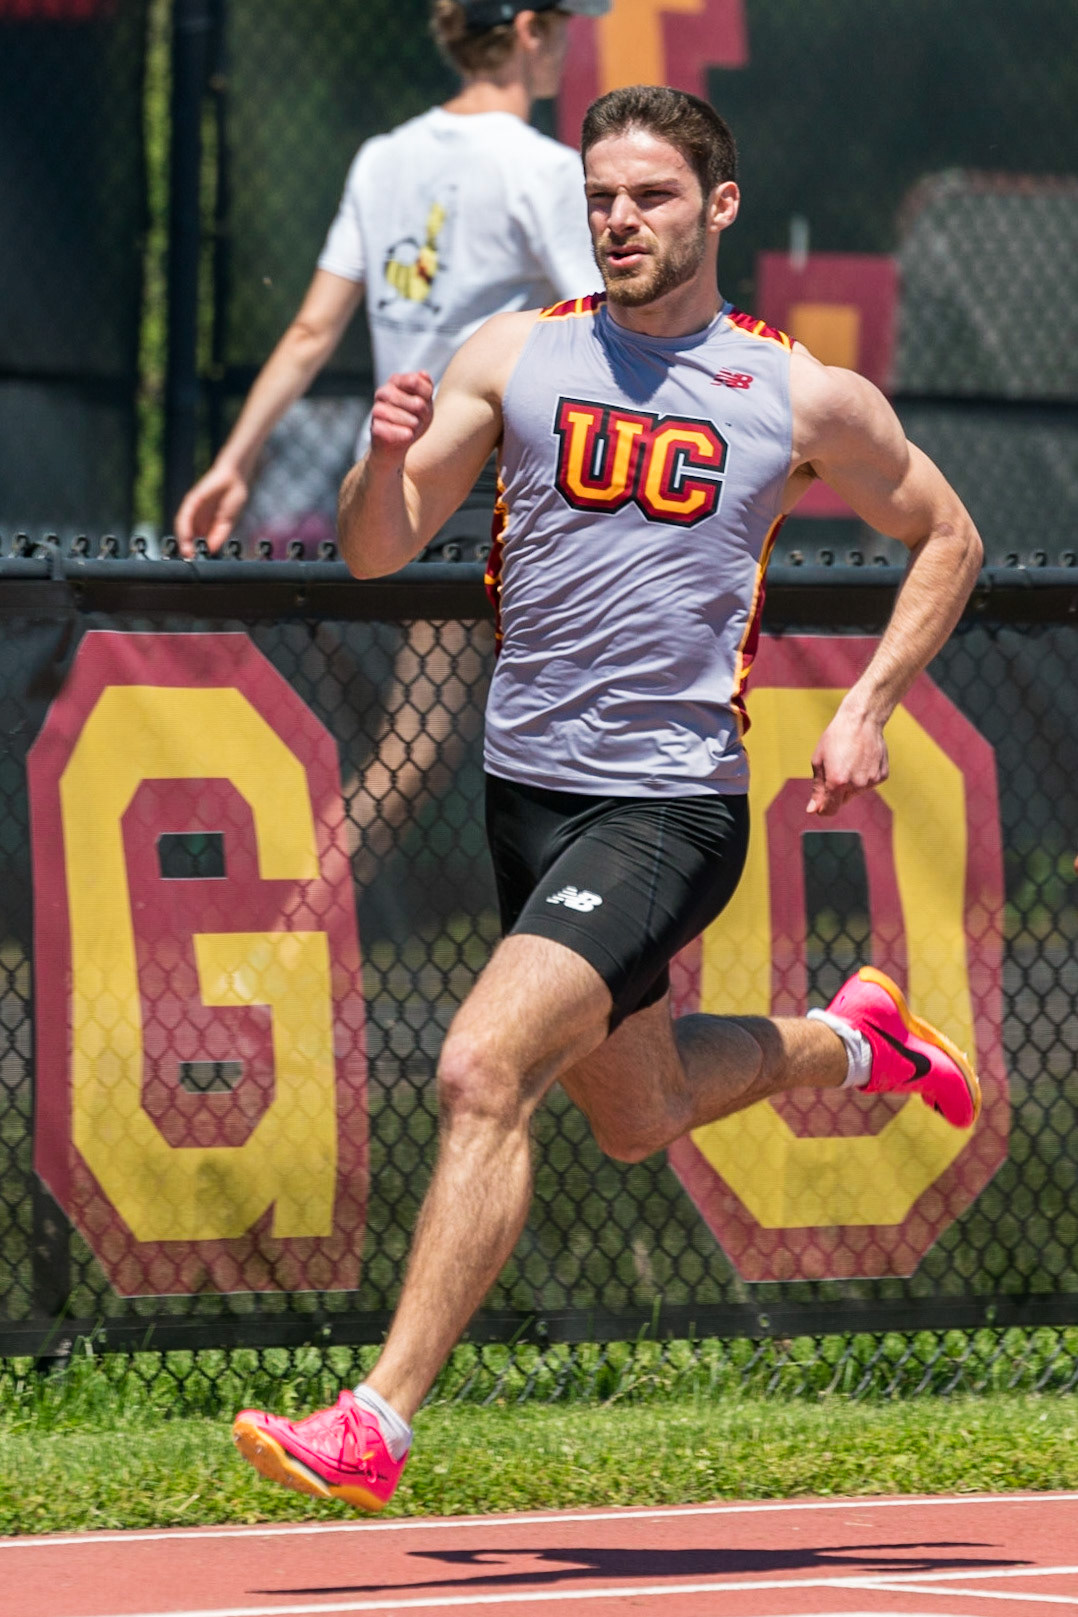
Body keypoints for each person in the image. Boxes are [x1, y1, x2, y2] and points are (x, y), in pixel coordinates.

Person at [233, 84, 985, 1513]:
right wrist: (381, 460)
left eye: (650, 196)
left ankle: (378, 1420)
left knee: (479, 1067)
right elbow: (378, 550)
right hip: (525, 798)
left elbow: (947, 535)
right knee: (638, 1113)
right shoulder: (514, 355)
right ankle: (854, 1040)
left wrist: (869, 703)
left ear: (719, 206)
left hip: (666, 810)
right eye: (600, 199)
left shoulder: (796, 394)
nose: (619, 221)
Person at [173, 0, 608, 555]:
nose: (567, 45)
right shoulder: (548, 171)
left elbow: (310, 333)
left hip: (381, 484)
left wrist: (234, 462)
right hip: (481, 485)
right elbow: (605, 327)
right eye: (562, 27)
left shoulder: (380, 158)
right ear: (529, 32)